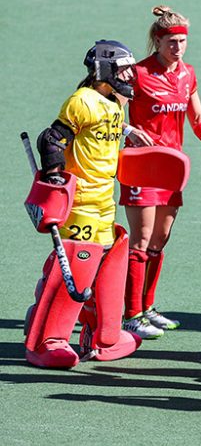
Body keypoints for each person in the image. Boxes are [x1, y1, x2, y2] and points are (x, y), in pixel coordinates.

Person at [24, 40, 144, 368]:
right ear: (103, 70)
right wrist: (54, 175)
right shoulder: (82, 100)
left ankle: (103, 336)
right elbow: (51, 139)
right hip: (81, 204)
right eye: (123, 68)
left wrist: (128, 130)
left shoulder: (113, 103)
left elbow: (105, 131)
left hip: (105, 202)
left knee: (110, 264)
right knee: (77, 268)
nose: (129, 75)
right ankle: (47, 340)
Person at [121, 6, 201, 339]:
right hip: (141, 166)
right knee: (140, 240)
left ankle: (147, 308)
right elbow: (113, 115)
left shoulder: (187, 74)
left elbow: (198, 119)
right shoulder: (136, 74)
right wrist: (128, 131)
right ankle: (130, 314)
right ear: (157, 39)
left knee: (159, 241)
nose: (177, 48)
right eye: (171, 41)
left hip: (172, 168)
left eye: (182, 41)